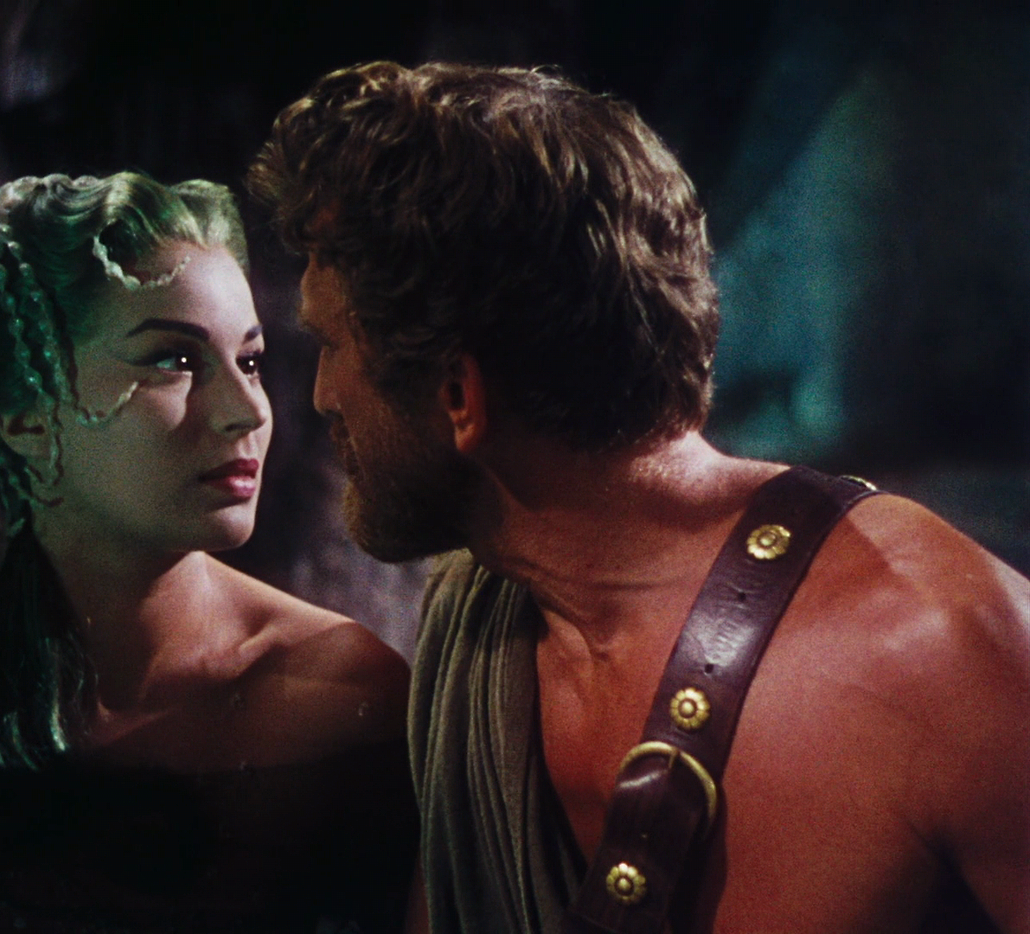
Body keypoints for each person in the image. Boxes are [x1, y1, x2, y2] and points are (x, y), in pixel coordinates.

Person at [247, 62, 1030, 934]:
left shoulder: (942, 655)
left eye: (331, 345)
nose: (321, 395)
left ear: (459, 397)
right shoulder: (478, 634)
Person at [0, 172, 417, 933]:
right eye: (173, 360)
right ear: (23, 416)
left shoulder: (342, 698)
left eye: (251, 361)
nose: (246, 412)